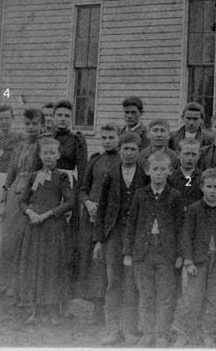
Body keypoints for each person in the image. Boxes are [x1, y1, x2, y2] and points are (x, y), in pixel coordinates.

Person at [93, 132, 148, 345]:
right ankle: (112, 329)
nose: (129, 153)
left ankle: (130, 329)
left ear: (139, 151)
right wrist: (99, 240)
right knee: (113, 282)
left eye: (133, 149)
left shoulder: (145, 176)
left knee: (131, 284)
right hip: (114, 235)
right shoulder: (111, 175)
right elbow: (102, 209)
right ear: (120, 150)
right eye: (125, 148)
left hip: (135, 235)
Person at [123, 152, 184, 348]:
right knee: (146, 295)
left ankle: (161, 334)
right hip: (143, 252)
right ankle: (148, 332)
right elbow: (131, 224)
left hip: (166, 253)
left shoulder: (175, 196)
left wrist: (180, 255)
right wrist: (128, 252)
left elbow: (180, 227)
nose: (159, 173)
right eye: (155, 169)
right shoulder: (141, 195)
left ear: (170, 171)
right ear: (148, 171)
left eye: (163, 169)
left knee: (165, 296)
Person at [173, 168, 216, 346]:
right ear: (201, 187)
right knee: (192, 296)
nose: (212, 190)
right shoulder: (194, 210)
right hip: (198, 260)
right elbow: (186, 235)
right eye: (209, 186)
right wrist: (188, 260)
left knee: (215, 298)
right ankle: (184, 332)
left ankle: (208, 332)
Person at [16, 137, 75, 323]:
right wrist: (30, 212)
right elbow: (22, 200)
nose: (49, 157)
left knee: (52, 267)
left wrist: (49, 214)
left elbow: (71, 202)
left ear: (58, 155)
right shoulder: (33, 176)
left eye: (52, 153)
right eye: (45, 153)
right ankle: (36, 309)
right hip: (35, 227)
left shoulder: (62, 176)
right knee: (35, 266)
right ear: (40, 155)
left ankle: (53, 310)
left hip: (53, 227)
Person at [75, 123, 121, 323]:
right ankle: (96, 307)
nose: (107, 141)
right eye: (104, 138)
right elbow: (83, 188)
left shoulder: (123, 160)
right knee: (91, 261)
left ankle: (112, 308)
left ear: (119, 137)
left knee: (107, 261)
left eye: (111, 137)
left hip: (110, 218)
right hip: (92, 216)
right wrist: (87, 203)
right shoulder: (95, 160)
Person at [0, 108, 43, 298]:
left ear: (41, 124)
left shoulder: (43, 145)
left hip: (33, 195)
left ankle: (26, 286)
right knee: (10, 240)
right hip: (15, 194)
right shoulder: (20, 146)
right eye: (28, 124)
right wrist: (5, 193)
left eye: (35, 124)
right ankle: (10, 283)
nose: (31, 128)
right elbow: (11, 172)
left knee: (27, 242)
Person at [0, 105, 23, 294]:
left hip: (10, 184)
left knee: (6, 233)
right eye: (1, 119)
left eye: (7, 118)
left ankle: (7, 281)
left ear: (12, 119)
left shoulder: (19, 140)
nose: (4, 122)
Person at [168, 138, 203, 211]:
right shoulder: (170, 177)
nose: (190, 158)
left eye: (193, 154)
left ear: (199, 156)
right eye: (186, 154)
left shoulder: (202, 177)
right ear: (178, 154)